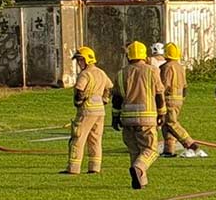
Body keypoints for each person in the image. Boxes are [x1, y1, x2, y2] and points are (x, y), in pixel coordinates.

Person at [111, 40, 165, 190]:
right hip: (147, 117)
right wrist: (162, 113)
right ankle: (139, 167)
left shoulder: (121, 73)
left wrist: (115, 117)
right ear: (144, 55)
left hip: (127, 118)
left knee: (134, 149)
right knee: (150, 149)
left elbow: (117, 98)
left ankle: (141, 181)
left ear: (128, 56)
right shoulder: (152, 71)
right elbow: (159, 94)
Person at [62, 46, 111, 175]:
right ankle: (94, 167)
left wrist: (78, 101)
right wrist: (105, 99)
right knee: (95, 139)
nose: (79, 63)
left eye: (80, 60)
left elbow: (79, 90)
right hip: (100, 111)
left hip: (86, 111)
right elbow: (109, 87)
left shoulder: (85, 74)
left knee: (78, 138)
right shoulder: (101, 72)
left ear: (87, 60)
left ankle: (73, 168)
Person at [158, 42, 205, 158]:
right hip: (179, 98)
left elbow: (164, 85)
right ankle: (169, 150)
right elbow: (185, 86)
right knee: (166, 124)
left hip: (169, 99)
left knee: (171, 123)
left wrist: (159, 99)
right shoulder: (180, 67)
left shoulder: (167, 67)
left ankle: (191, 145)